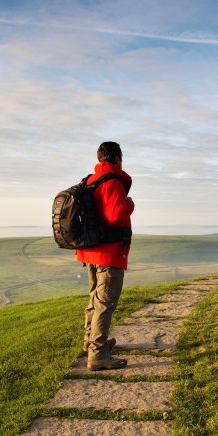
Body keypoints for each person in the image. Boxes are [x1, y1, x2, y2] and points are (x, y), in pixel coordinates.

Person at [77, 141, 134, 371]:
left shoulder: (89, 181)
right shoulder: (112, 182)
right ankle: (98, 354)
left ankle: (91, 342)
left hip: (89, 250)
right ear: (118, 157)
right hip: (108, 253)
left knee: (95, 298)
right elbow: (117, 217)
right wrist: (129, 204)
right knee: (105, 303)